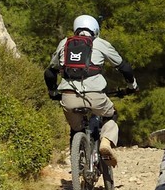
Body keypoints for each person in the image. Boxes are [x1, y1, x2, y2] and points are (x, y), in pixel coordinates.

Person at [44, 14, 137, 165]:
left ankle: (78, 162)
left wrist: (53, 92)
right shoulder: (100, 43)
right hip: (95, 96)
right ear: (95, 30)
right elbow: (124, 67)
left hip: (68, 97)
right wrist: (132, 86)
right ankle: (105, 142)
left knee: (76, 129)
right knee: (111, 115)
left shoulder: (64, 43)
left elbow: (49, 72)